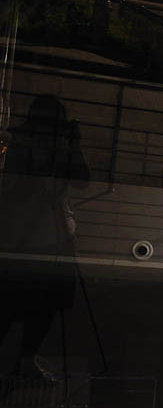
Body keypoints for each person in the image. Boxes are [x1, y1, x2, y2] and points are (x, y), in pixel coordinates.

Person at [0, 94, 90, 377]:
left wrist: (71, 148)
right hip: (21, 237)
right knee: (11, 300)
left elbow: (82, 180)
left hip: (50, 236)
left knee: (47, 303)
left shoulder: (58, 151)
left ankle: (27, 356)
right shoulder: (15, 146)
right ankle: (21, 356)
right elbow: (13, 185)